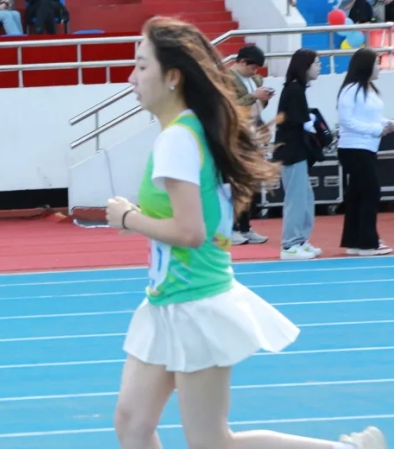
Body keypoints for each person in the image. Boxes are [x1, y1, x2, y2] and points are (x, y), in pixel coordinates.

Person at [105, 16, 387, 449]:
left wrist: (128, 218)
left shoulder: (179, 139)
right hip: (169, 300)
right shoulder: (191, 130)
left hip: (196, 304)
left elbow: (191, 232)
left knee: (212, 442)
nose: (132, 77)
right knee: (132, 423)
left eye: (142, 66)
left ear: (173, 76)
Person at [336, 48, 393, 256]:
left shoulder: (369, 90)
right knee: (371, 192)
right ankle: (368, 243)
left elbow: (371, 117)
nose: (380, 67)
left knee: (357, 194)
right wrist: (376, 130)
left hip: (367, 147)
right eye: (377, 63)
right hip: (353, 148)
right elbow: (347, 121)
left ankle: (355, 241)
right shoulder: (351, 90)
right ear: (366, 66)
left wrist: (387, 123)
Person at [273, 49, 324, 260]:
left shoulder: (297, 90)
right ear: (305, 66)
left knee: (306, 198)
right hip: (291, 152)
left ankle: (301, 240)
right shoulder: (294, 90)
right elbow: (296, 121)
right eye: (316, 63)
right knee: (296, 199)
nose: (319, 67)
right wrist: (311, 123)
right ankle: (290, 244)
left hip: (298, 151)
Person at [229, 44, 272, 245]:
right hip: (235, 136)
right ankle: (232, 227)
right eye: (252, 67)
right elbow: (229, 106)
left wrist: (263, 98)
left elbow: (257, 107)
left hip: (253, 134)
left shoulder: (256, 80)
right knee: (236, 184)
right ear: (242, 62)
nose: (255, 72)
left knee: (251, 184)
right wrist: (254, 96)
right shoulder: (227, 78)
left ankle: (245, 226)